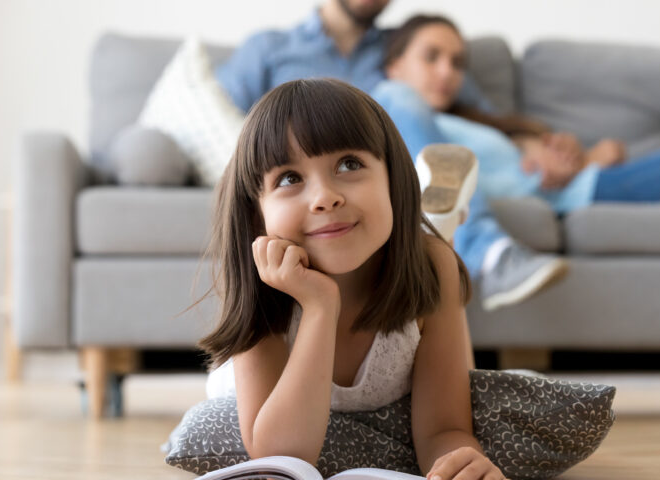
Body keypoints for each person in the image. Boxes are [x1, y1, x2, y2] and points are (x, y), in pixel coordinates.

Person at [200, 78, 508, 480]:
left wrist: (462, 465)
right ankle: (435, 214)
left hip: (409, 254)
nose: (324, 197)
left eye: (349, 164)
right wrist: (319, 306)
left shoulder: (433, 265)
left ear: (393, 177)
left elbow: (445, 430)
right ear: (256, 213)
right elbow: (280, 456)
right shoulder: (259, 280)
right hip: (261, 399)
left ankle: (434, 218)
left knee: (436, 255)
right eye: (289, 178)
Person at [216, 0, 567, 312]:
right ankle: (485, 250)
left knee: (397, 96)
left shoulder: (406, 47)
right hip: (305, 179)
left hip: (385, 168)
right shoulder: (268, 48)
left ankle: (467, 237)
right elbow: (219, 120)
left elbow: (473, 112)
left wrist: (526, 140)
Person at [378, 14, 660, 213]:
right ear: (394, 65)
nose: (448, 72)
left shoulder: (469, 122)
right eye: (432, 57)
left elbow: (590, 157)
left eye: (457, 62)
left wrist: (576, 155)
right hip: (591, 194)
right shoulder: (396, 117)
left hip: (601, 179)